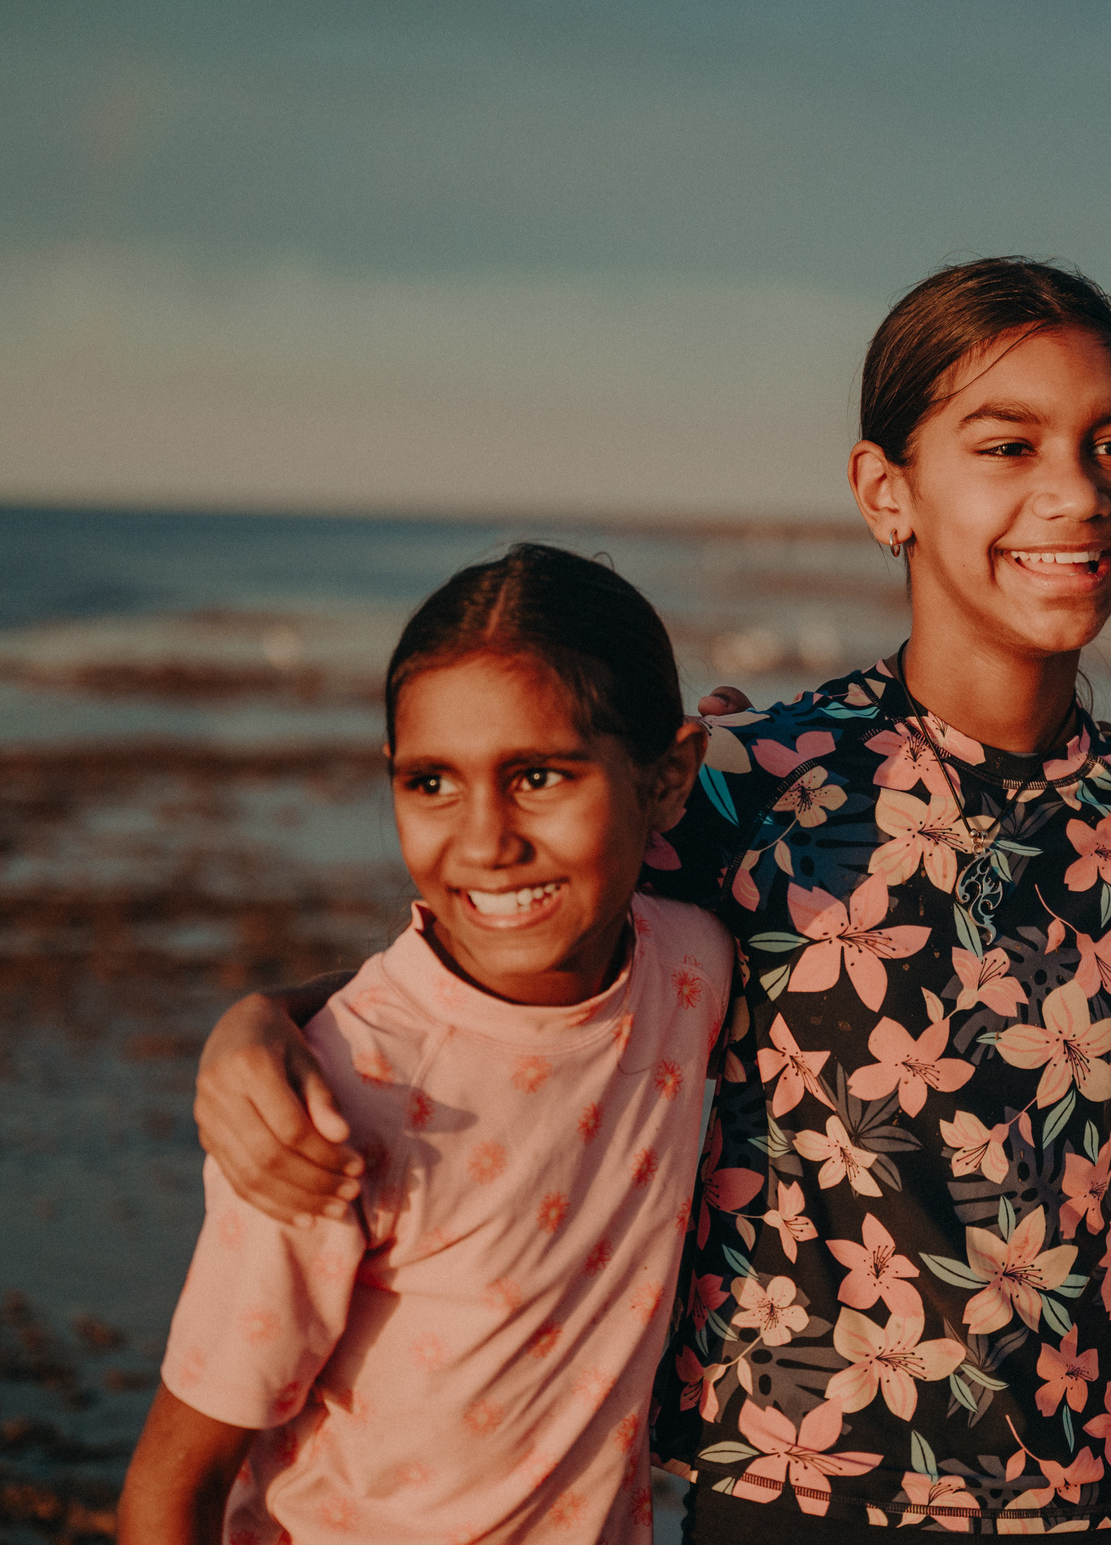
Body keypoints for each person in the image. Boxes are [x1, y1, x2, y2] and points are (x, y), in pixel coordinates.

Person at [191, 259, 1111, 1543]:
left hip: (1086, 1505)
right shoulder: (750, 784)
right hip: (785, 1496)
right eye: (1007, 444)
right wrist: (260, 1022)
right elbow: (498, 956)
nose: (1074, 490)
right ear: (884, 493)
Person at [118, 545, 723, 1544]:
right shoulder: (328, 1099)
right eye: (431, 781)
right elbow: (171, 1488)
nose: (483, 838)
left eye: (537, 775)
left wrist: (264, 1000)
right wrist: (270, 1017)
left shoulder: (693, 963)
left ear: (666, 781)